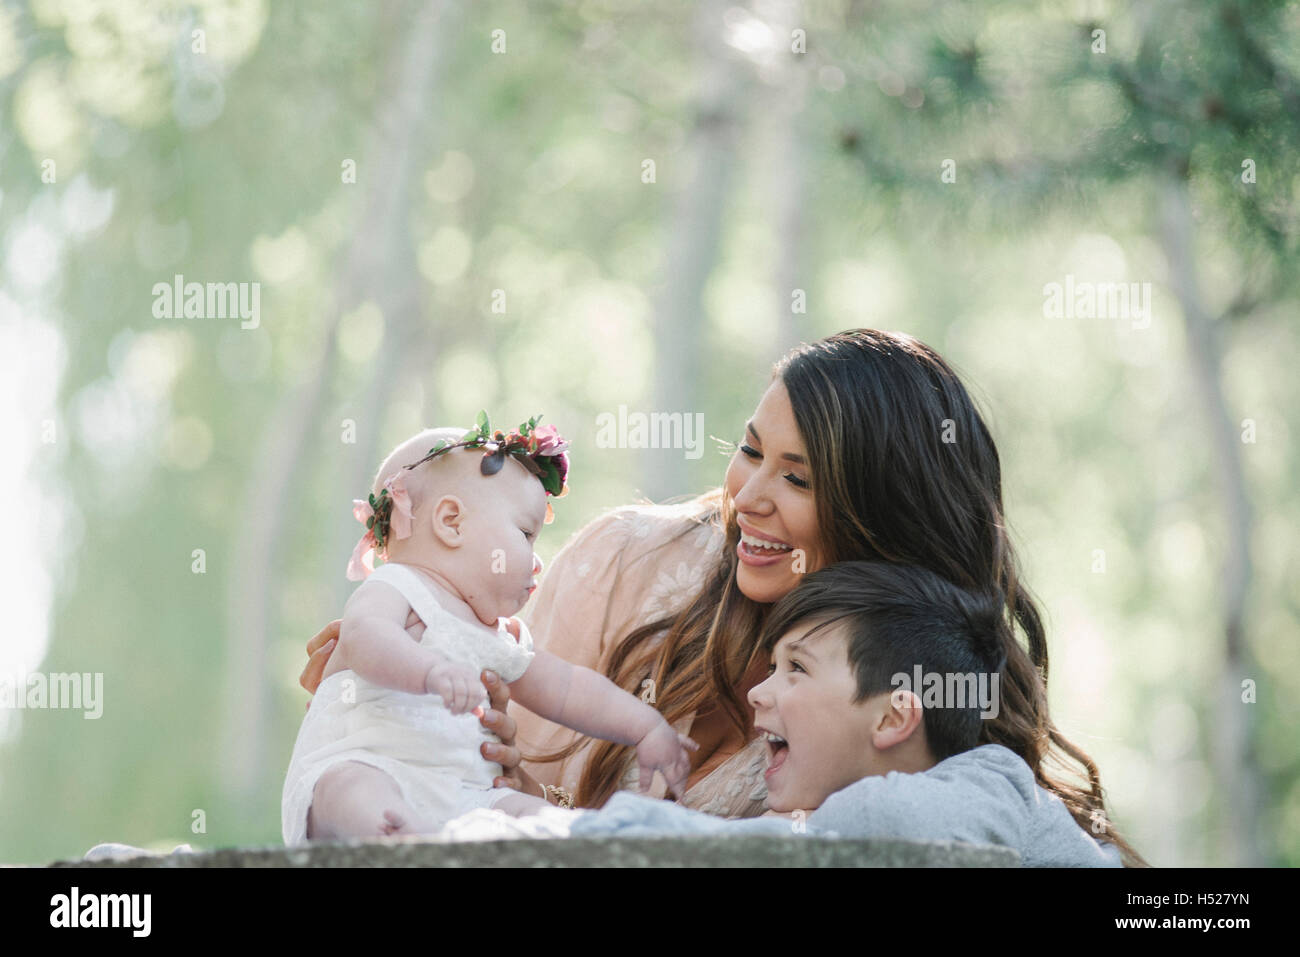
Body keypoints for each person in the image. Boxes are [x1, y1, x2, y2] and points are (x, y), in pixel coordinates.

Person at [301, 329, 1145, 865]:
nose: (749, 496)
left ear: (879, 514)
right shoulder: (630, 562)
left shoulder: (912, 685)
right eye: (749, 451)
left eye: (799, 478)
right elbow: (479, 759)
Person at [282, 415, 696, 844]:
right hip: (369, 763)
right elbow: (364, 638)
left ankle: (580, 844)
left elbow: (568, 687)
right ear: (451, 522)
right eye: (525, 534)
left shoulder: (495, 636)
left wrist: (644, 726)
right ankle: (396, 837)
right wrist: (429, 672)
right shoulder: (398, 586)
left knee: (533, 814)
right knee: (348, 789)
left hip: (466, 795)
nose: (536, 561)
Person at [747, 560, 1123, 866]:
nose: (755, 693)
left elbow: (880, 818)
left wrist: (780, 833)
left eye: (796, 667)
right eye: (771, 669)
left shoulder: (991, 785)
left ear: (892, 718)